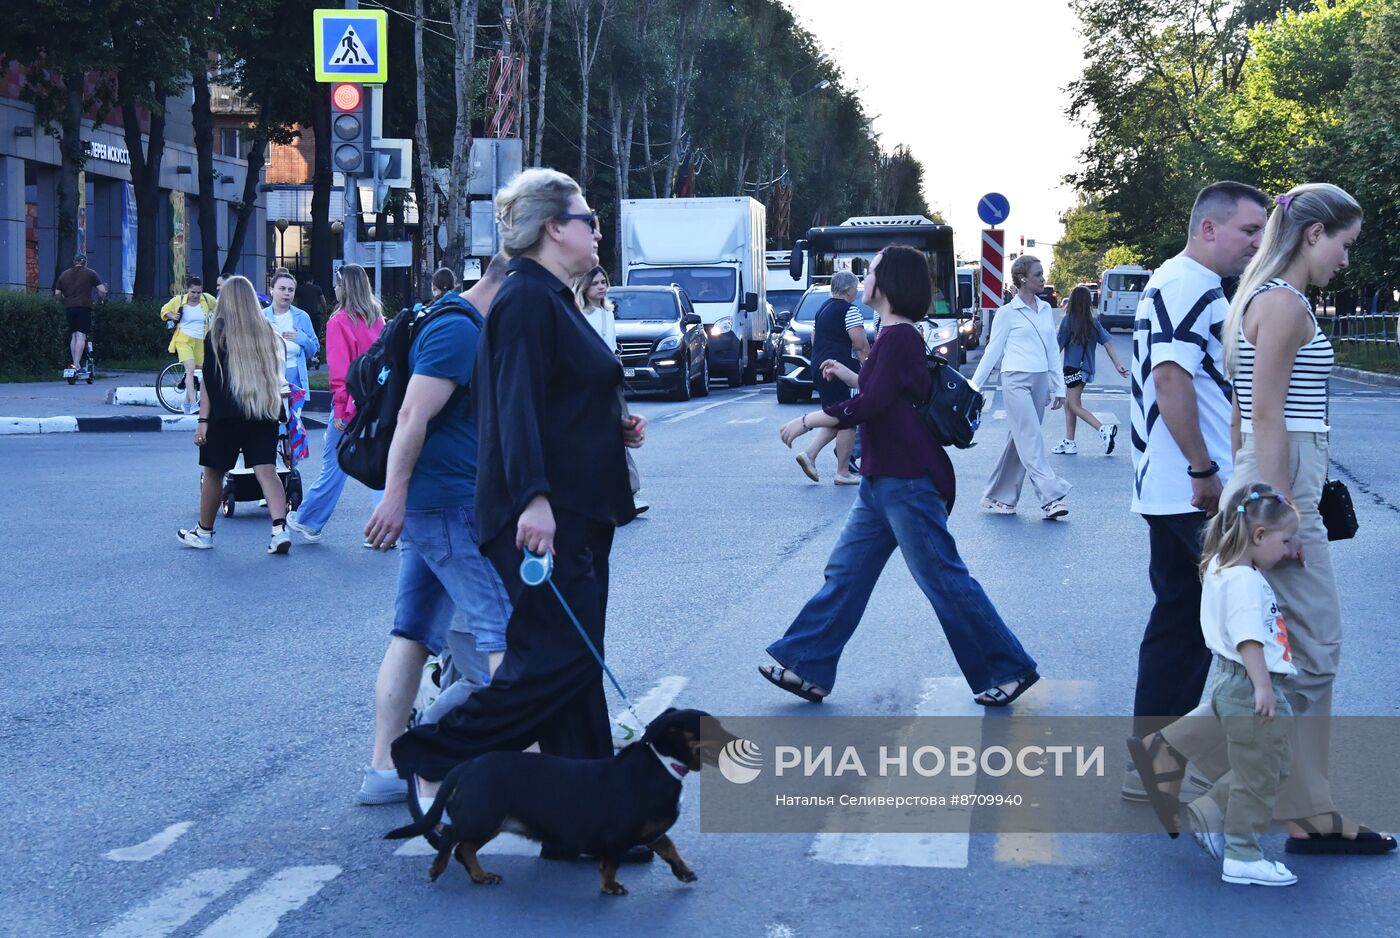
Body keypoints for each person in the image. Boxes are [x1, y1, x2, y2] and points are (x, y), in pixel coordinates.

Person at [389, 170, 649, 864]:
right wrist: (533, 498)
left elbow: (555, 400)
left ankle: (590, 826)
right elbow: (514, 409)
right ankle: (428, 751)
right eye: (587, 216)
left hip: (576, 510)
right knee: (553, 662)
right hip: (544, 515)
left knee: (574, 669)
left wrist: (609, 427)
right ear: (552, 229)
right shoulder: (527, 300)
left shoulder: (551, 300)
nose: (597, 228)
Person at [1133, 183, 1395, 856]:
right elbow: (1269, 416)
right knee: (1315, 652)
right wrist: (1277, 519)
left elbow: (1250, 413)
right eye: (1344, 243)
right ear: (1313, 235)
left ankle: (1304, 808)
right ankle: (1213, 781)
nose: (1346, 258)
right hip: (1281, 491)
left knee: (1295, 655)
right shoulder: (1280, 303)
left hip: (1273, 482)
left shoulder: (1262, 298)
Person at [761, 245, 1039, 707]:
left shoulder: (899, 338)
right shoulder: (891, 335)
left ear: (886, 284)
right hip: (880, 481)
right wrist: (849, 379)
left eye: (869, 271)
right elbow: (878, 393)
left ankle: (1008, 669)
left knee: (944, 580)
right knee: (845, 575)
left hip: (908, 481)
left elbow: (869, 405)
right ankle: (805, 666)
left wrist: (809, 421)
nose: (862, 277)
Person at [1122, 181, 1270, 804]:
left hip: (1173, 484)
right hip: (1191, 488)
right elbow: (1170, 376)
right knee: (1239, 625)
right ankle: (1196, 768)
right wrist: (1204, 469)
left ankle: (1155, 767)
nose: (1257, 243)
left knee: (1181, 625)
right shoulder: (1189, 284)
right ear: (1208, 228)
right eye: (1248, 230)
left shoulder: (1183, 281)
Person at [356, 252, 514, 805]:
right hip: (446, 507)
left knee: (414, 633)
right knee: (503, 636)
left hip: (437, 508)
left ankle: (383, 769)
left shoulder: (458, 322)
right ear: (506, 287)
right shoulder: (458, 330)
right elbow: (410, 416)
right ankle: (486, 771)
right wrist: (394, 497)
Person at [1170, 483, 1301, 886]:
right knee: (1257, 775)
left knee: (1270, 765)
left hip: (1234, 682)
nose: (1289, 549)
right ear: (1258, 536)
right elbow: (1248, 637)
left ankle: (1209, 810)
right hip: (1249, 683)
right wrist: (1263, 686)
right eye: (1286, 540)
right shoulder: (1244, 579)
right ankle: (1243, 856)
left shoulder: (1220, 566)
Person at [178, 275, 292, 555]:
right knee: (267, 470)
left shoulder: (216, 334)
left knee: (214, 473)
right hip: (262, 411)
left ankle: (204, 533)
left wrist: (202, 421)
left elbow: (210, 383)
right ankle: (280, 530)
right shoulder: (268, 331)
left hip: (226, 415)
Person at [286, 264, 386, 544]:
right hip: (377, 401)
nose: (334, 288)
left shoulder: (339, 320)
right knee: (379, 464)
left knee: (335, 464)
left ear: (347, 287)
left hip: (351, 403)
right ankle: (385, 531)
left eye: (338, 284)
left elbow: (341, 371)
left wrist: (342, 409)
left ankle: (309, 520)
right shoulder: (377, 318)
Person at [969, 254, 1071, 519]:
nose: (1043, 278)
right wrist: (973, 385)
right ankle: (1051, 497)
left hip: (1039, 382)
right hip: (1014, 379)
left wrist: (1059, 387)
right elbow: (993, 351)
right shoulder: (1006, 313)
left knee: (1020, 440)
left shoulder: (1047, 309)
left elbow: (1051, 348)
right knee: (1032, 438)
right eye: (1038, 275)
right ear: (1023, 278)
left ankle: (998, 497)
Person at [574, 265, 649, 515]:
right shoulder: (578, 313)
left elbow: (612, 346)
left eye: (603, 282)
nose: (601, 286)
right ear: (584, 286)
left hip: (610, 377)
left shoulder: (608, 312)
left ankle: (630, 491)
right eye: (595, 283)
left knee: (620, 432)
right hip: (586, 380)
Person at [794, 271, 868, 486]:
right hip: (837, 369)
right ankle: (842, 472)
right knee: (847, 418)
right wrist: (869, 366)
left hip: (819, 365)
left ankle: (810, 454)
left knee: (837, 415)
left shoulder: (822, 309)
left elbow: (816, 337)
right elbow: (860, 344)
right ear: (848, 290)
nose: (856, 291)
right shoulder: (850, 310)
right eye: (855, 287)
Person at [1052, 285, 1129, 455]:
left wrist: (1048, 367)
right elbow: (1108, 344)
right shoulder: (1093, 322)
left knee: (1072, 405)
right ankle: (1069, 442)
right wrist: (1118, 365)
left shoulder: (1068, 320)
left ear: (1072, 301)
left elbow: (1058, 345)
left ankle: (1103, 429)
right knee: (1070, 404)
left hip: (1073, 369)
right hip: (1086, 370)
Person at [161, 276, 217, 415]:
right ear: (187, 290)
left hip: (200, 341)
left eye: (198, 292)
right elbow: (164, 310)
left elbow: (219, 307)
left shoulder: (207, 299)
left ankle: (186, 404)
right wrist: (172, 316)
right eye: (193, 292)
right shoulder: (179, 301)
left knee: (202, 369)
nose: (196, 296)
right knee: (190, 370)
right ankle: (193, 404)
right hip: (183, 339)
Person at [263, 271, 318, 392]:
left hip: (296, 380)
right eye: (282, 289)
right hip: (268, 380)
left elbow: (314, 350)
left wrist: (303, 340)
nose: (286, 293)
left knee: (293, 411)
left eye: (290, 290)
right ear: (271, 290)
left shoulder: (302, 317)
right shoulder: (261, 317)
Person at [53, 254, 107, 375]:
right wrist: (100, 300)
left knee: (74, 336)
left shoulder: (64, 274)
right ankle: (76, 365)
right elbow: (102, 290)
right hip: (84, 307)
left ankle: (74, 363)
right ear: (85, 262)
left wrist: (63, 301)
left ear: (74, 262)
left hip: (69, 308)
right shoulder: (91, 273)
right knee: (81, 336)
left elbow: (57, 293)